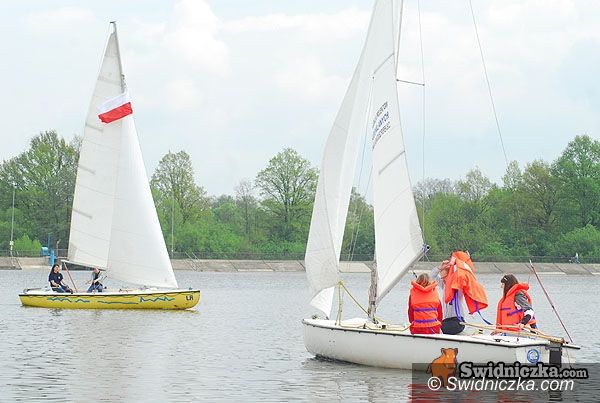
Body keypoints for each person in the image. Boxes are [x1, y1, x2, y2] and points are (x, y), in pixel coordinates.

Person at [430, 260, 467, 335]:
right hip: (447, 320)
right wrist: (440, 267)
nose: (443, 280)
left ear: (450, 276)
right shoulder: (444, 285)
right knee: (434, 325)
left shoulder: (458, 287)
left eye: (445, 277)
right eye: (442, 278)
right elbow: (431, 276)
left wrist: (458, 263)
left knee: (437, 327)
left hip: (458, 321)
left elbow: (462, 273)